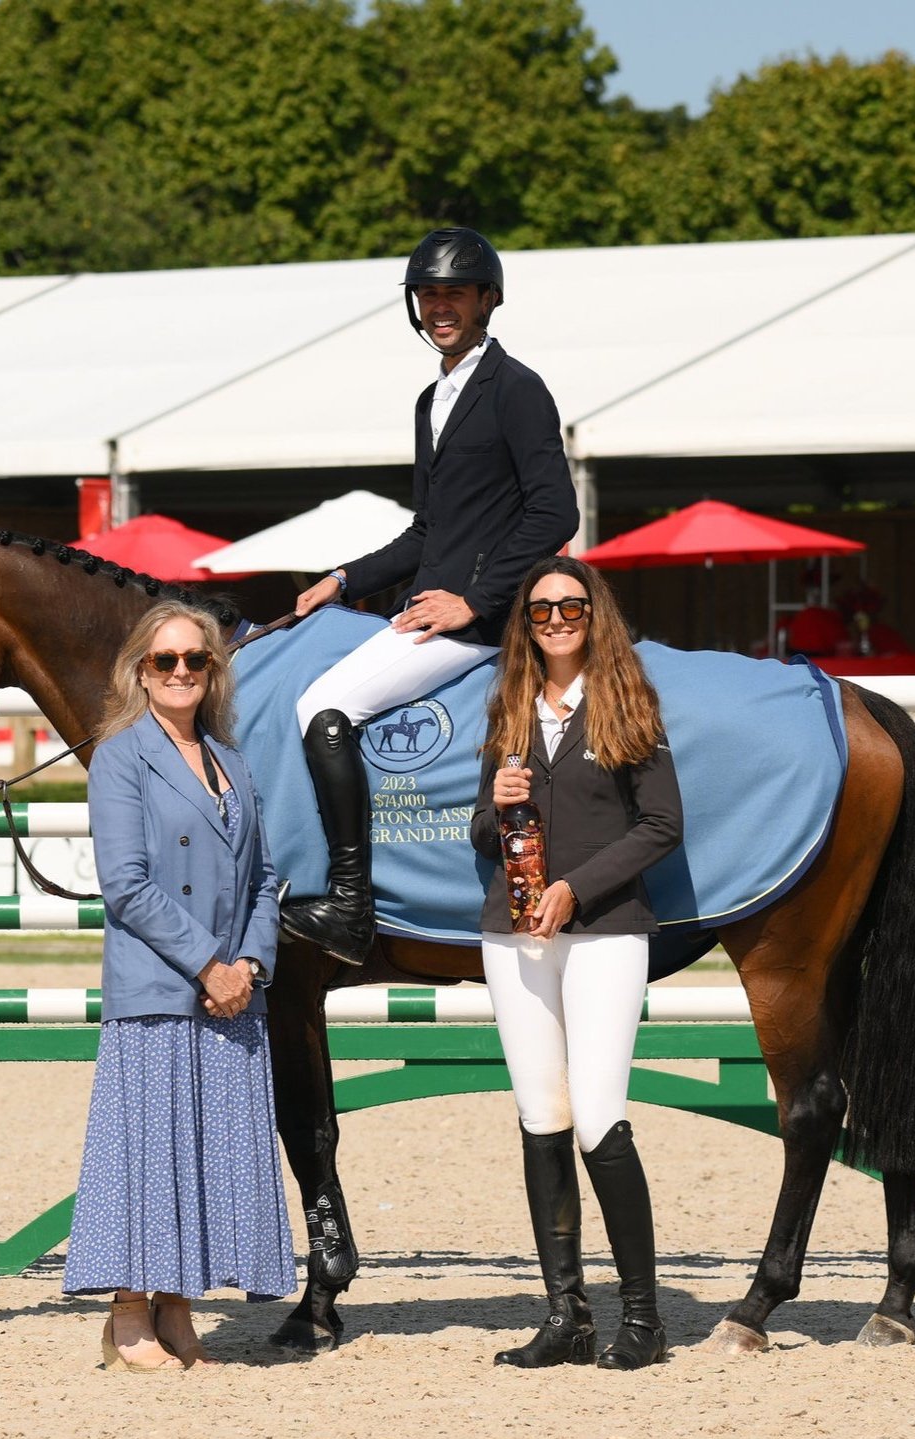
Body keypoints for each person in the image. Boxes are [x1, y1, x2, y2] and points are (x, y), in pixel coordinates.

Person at [283, 226, 579, 965]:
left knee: (321, 707)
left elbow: (554, 513)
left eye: (453, 293)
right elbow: (428, 530)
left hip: (482, 619)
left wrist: (472, 603)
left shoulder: (516, 388)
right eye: (428, 294)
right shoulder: (432, 398)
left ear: (486, 299)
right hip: (432, 603)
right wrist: (343, 577)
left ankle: (350, 903)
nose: (439, 306)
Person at [62, 602, 296, 1370]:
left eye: (194, 659)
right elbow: (124, 884)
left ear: (212, 670)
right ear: (140, 669)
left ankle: (177, 1302)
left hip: (233, 989)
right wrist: (208, 964)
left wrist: (250, 965)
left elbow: (266, 877)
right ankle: (128, 1309)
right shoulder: (120, 756)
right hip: (162, 986)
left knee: (200, 1152)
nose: (181, 672)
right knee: (148, 1152)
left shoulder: (234, 760)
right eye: (165, 660)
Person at [470, 556, 683, 1371]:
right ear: (524, 625)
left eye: (570, 606)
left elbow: (662, 825)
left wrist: (575, 886)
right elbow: (480, 835)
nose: (555, 619)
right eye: (540, 610)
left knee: (596, 1115)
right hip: (513, 933)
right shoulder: (509, 709)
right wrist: (499, 804)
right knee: (540, 1118)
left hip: (604, 931)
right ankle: (566, 1315)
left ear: (595, 614)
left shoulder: (628, 704)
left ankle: (642, 1316)